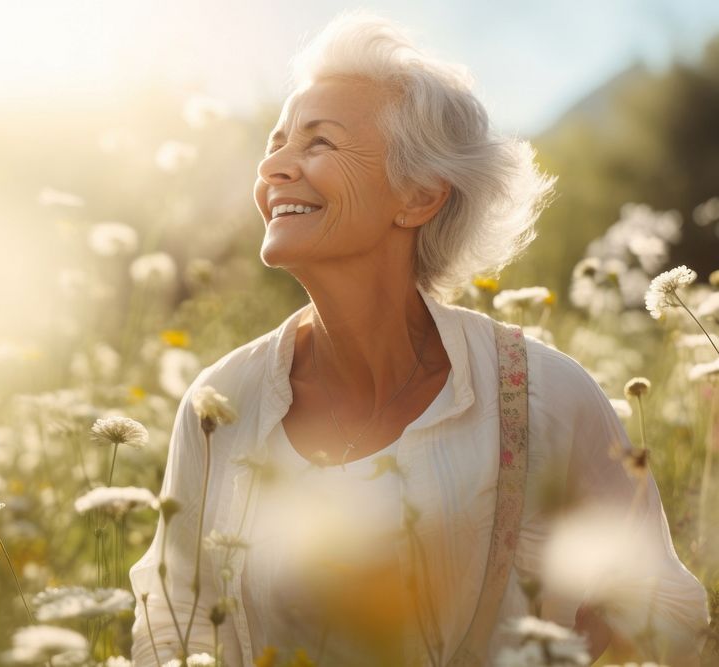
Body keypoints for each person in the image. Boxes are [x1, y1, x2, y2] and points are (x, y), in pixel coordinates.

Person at [129, 9, 710, 666]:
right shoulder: (218, 404)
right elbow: (171, 624)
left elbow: (668, 612)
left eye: (318, 143)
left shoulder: (542, 394)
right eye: (275, 142)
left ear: (420, 194)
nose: (275, 169)